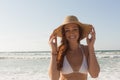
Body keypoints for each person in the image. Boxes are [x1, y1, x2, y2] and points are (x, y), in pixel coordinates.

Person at [48, 15, 100, 80]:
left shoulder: (86, 50)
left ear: (79, 31)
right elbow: (54, 78)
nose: (71, 33)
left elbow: (95, 75)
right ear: (64, 33)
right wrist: (53, 52)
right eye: (67, 30)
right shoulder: (59, 51)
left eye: (75, 29)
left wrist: (91, 47)